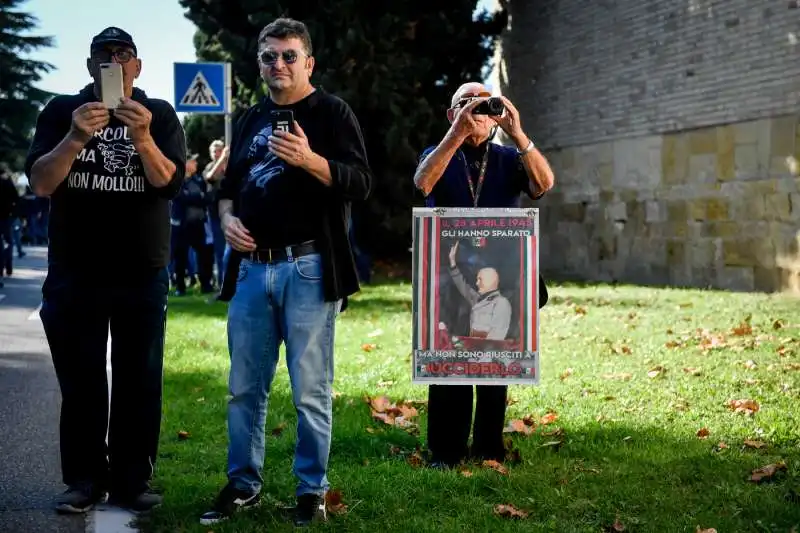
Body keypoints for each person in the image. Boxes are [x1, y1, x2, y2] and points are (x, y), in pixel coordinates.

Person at [199, 17, 371, 527]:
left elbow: (361, 182)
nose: (279, 65)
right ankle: (243, 484)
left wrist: (313, 161)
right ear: (259, 63)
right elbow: (227, 188)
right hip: (253, 269)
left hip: (309, 267)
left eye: (289, 56)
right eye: (269, 57)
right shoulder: (251, 117)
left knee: (310, 388)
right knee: (244, 387)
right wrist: (228, 220)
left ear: (308, 62)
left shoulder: (332, 113)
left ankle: (310, 491)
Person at [24, 26, 186, 513]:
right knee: (81, 381)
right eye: (104, 55)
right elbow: (41, 183)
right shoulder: (60, 111)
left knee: (140, 379)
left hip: (141, 270)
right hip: (76, 270)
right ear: (91, 66)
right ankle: (84, 480)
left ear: (137, 67)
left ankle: (132, 481)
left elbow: (168, 183)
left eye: (123, 55)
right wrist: (76, 136)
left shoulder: (158, 114)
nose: (114, 61)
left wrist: (140, 135)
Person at [412, 82, 555, 468]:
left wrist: (518, 132)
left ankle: (489, 447)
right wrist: (456, 133)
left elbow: (543, 184)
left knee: (495, 358)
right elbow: (423, 183)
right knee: (448, 359)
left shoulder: (509, 157)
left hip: (501, 272)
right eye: (466, 104)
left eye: (484, 105)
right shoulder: (438, 152)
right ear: (451, 113)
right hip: (449, 271)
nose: (477, 112)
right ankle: (446, 450)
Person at [171, 154, 215, 295]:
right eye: (192, 161)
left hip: (199, 223)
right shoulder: (177, 179)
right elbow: (180, 198)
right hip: (182, 224)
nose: (195, 163)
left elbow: (208, 198)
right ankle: (180, 287)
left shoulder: (199, 179)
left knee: (205, 254)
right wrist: (198, 197)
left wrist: (195, 197)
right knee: (180, 257)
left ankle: (206, 284)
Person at [202, 139, 229, 287]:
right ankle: (221, 284)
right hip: (215, 214)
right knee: (220, 250)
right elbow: (210, 177)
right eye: (214, 151)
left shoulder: (230, 166)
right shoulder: (210, 167)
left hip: (232, 212)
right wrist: (222, 159)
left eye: (219, 150)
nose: (217, 154)